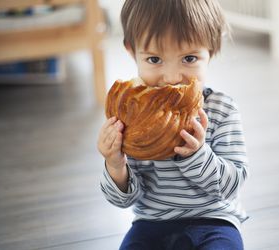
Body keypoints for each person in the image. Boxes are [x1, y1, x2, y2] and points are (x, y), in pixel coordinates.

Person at [98, 0, 249, 249]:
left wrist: (197, 155)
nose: (171, 77)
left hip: (213, 221)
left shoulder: (222, 110)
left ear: (211, 51)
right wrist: (115, 164)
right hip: (150, 224)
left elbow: (231, 186)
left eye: (189, 58)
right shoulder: (131, 117)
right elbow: (123, 201)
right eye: (155, 59)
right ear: (131, 51)